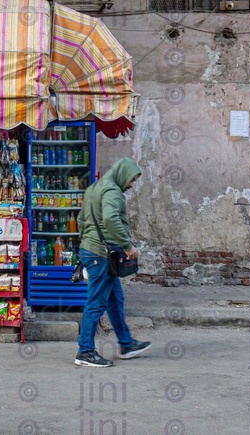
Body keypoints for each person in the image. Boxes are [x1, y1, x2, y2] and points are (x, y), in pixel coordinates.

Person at [75, 157, 152, 367]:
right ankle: (85, 352)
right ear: (122, 174)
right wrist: (127, 246)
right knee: (96, 302)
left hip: (93, 251)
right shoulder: (113, 192)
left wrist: (86, 246)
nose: (132, 184)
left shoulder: (95, 188)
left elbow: (81, 220)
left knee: (115, 300)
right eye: (132, 179)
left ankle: (126, 343)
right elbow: (110, 219)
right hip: (101, 255)